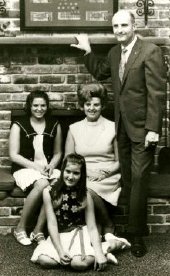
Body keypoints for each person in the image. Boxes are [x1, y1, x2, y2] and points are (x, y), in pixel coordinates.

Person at [70, 10, 166, 257]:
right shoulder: (114, 53)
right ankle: (115, 228)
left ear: (134, 26)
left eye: (124, 25)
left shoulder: (150, 51)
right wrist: (87, 50)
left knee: (139, 179)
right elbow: (102, 72)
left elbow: (157, 94)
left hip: (144, 130)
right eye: (116, 26)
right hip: (121, 128)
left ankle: (136, 235)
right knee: (128, 179)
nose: (120, 30)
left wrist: (154, 129)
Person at [31, 153, 130, 271]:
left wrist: (98, 253)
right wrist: (60, 251)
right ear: (62, 171)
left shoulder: (85, 194)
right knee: (45, 261)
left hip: (81, 232)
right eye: (68, 171)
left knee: (78, 264)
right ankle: (98, 253)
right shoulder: (49, 192)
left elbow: (92, 227)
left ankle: (108, 247)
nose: (71, 176)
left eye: (76, 173)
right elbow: (52, 224)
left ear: (81, 175)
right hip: (60, 234)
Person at [65, 83, 121, 237]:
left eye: (96, 104)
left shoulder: (113, 127)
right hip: (81, 173)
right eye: (88, 104)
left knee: (87, 189)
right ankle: (105, 223)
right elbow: (68, 159)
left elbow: (120, 160)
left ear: (102, 106)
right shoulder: (74, 128)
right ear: (82, 106)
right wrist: (85, 172)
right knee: (86, 187)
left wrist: (106, 172)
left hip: (107, 175)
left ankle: (100, 227)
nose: (92, 108)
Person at [9, 91, 62, 246]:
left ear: (47, 106)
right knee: (43, 184)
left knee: (57, 183)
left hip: (48, 169)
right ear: (29, 106)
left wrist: (52, 165)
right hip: (25, 168)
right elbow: (14, 155)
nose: (39, 109)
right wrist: (36, 167)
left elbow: (58, 152)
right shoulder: (19, 124)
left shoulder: (55, 124)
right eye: (36, 105)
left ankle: (38, 230)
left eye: (43, 105)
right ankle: (20, 228)